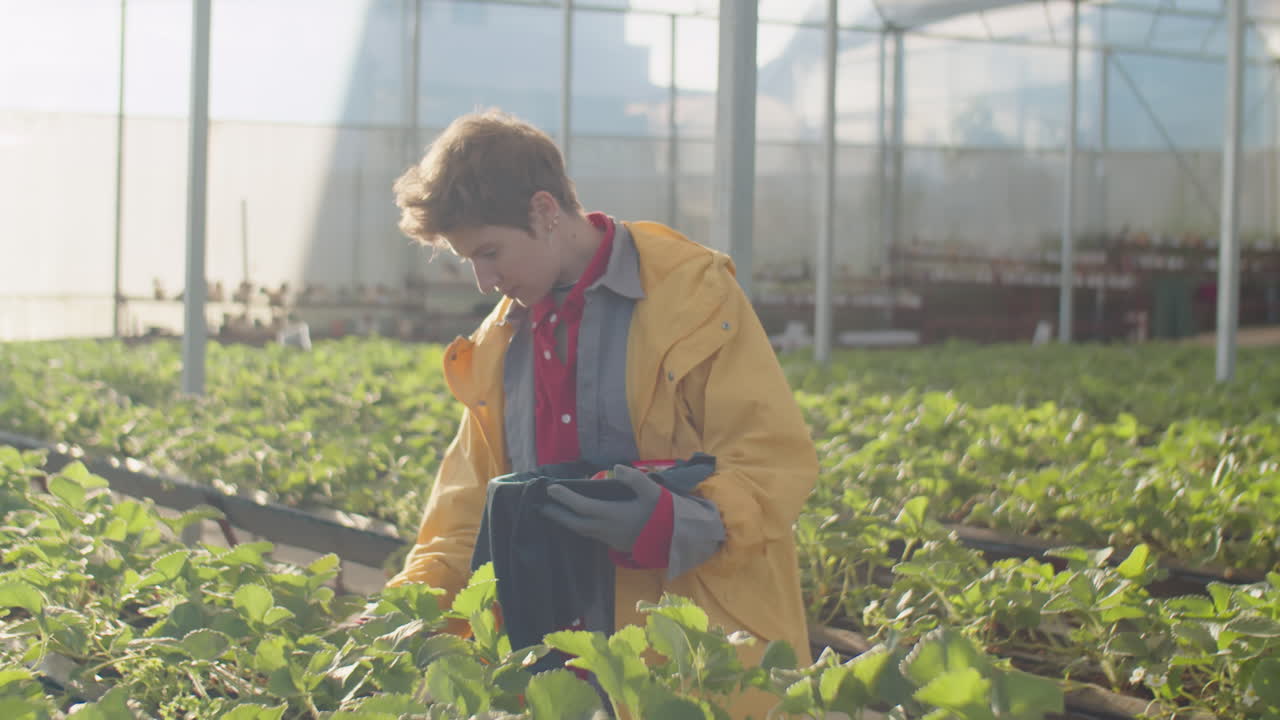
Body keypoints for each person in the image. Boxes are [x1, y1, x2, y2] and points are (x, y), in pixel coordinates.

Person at [386, 109, 818, 718]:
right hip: (557, 661)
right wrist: (406, 612)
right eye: (469, 261)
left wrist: (676, 519)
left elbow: (772, 459)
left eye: (490, 252)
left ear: (544, 212)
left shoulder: (692, 297)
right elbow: (467, 512)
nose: (484, 281)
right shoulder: (500, 340)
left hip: (694, 654)